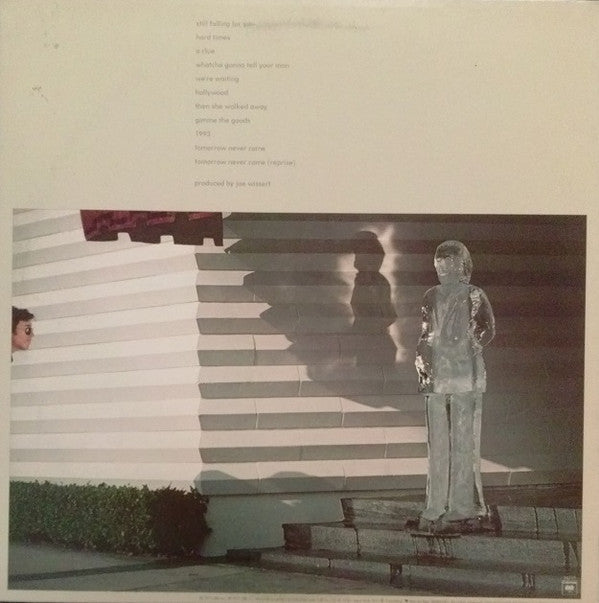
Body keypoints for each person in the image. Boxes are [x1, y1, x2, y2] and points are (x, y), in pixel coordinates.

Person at [415, 241, 495, 532]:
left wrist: (466, 346)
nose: (444, 269)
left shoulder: (474, 294)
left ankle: (462, 507)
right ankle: (436, 505)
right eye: (440, 264)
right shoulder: (430, 296)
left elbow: (487, 329)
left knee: (463, 443)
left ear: (463, 266)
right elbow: (425, 334)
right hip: (437, 378)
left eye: (450, 264)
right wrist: (424, 365)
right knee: (437, 445)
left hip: (464, 378)